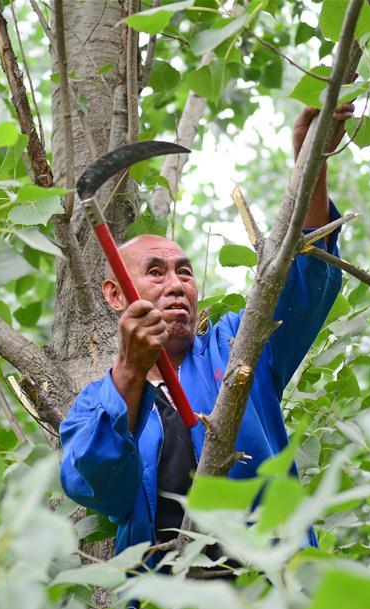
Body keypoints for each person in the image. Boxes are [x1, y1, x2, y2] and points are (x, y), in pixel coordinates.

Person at [59, 104, 354, 561]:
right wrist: (129, 374)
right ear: (116, 296)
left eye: (184, 272)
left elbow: (304, 276)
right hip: (165, 604)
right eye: (155, 273)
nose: (176, 284)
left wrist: (310, 163)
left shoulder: (240, 344)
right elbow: (102, 490)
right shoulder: (95, 406)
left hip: (270, 591)